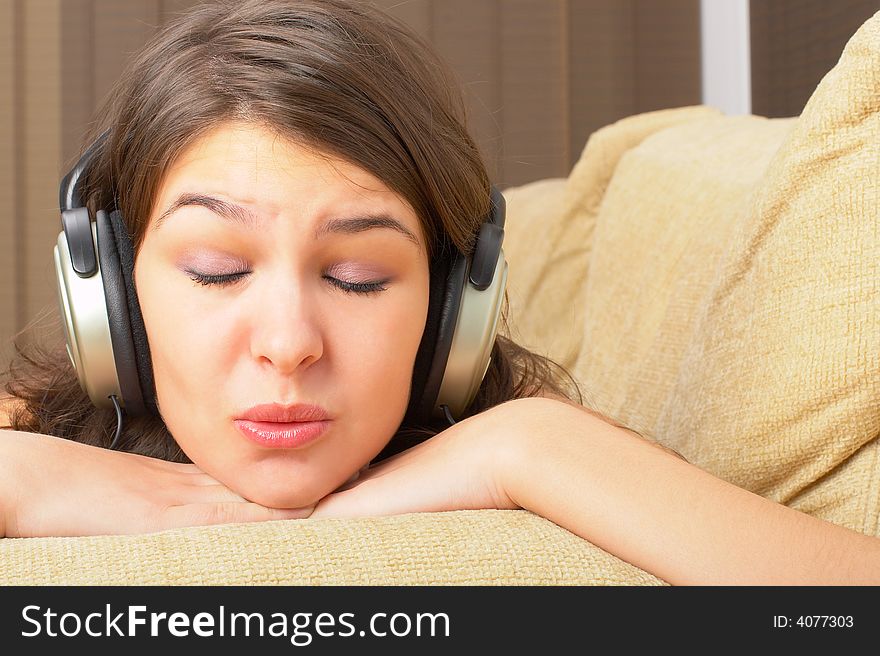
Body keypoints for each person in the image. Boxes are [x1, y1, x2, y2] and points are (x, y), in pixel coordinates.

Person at [0, 0, 877, 585]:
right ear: (109, 295)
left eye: (358, 277)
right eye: (218, 270)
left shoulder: (516, 444)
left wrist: (527, 450)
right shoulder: (25, 434)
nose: (289, 342)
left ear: (455, 308)